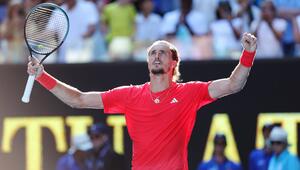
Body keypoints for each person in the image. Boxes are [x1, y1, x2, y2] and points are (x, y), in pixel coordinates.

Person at [27, 32, 257, 170]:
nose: (156, 56)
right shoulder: (129, 95)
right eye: (151, 53)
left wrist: (247, 55)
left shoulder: (190, 92)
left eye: (162, 52)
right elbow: (77, 100)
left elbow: (233, 84)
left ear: (174, 62)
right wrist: (42, 76)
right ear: (148, 63)